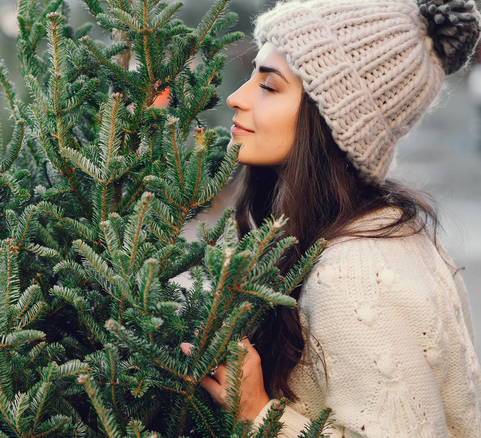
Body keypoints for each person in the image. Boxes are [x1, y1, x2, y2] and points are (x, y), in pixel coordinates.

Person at [193, 0, 481, 436]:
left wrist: (256, 413)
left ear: (331, 119)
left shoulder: (355, 274)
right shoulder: (363, 230)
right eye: (253, 75)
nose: (236, 97)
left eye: (269, 86)